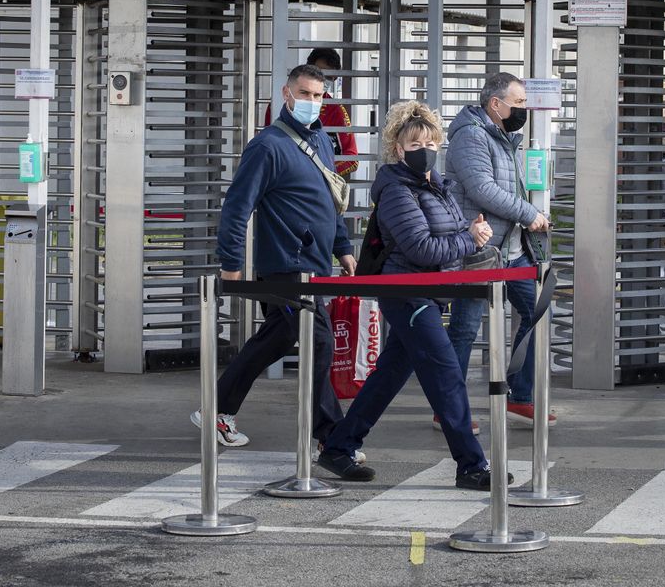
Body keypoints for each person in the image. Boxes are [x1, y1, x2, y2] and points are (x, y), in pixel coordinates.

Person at [317, 101, 510, 491]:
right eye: (416, 142)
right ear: (398, 148)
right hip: (408, 293)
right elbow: (421, 248)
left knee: (388, 376)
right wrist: (467, 238)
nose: (426, 149)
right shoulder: (395, 190)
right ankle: (471, 464)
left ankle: (339, 445)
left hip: (427, 292)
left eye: (431, 142)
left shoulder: (435, 186)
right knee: (447, 376)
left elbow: (448, 239)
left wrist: (473, 235)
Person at [200, 63, 357, 449]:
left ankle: (216, 409)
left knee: (275, 340)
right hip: (287, 267)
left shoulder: (321, 140)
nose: (312, 102)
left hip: (315, 266)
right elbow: (237, 209)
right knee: (318, 343)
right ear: (287, 94)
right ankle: (330, 436)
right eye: (305, 94)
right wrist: (231, 265)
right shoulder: (266, 146)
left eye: (319, 96)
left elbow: (330, 200)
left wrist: (343, 247)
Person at [445, 72, 554, 428]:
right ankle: (449, 408)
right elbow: (482, 190)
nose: (523, 109)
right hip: (479, 250)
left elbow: (509, 189)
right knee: (465, 328)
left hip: (511, 250)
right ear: (496, 104)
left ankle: (520, 397)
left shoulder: (503, 136)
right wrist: (530, 214)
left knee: (537, 313)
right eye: (519, 103)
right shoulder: (471, 137)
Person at [262, 48, 359, 180]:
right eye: (304, 93)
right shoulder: (276, 106)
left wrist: (323, 174)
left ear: (335, 79)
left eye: (329, 77)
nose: (322, 79)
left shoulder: (335, 110)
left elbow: (351, 158)